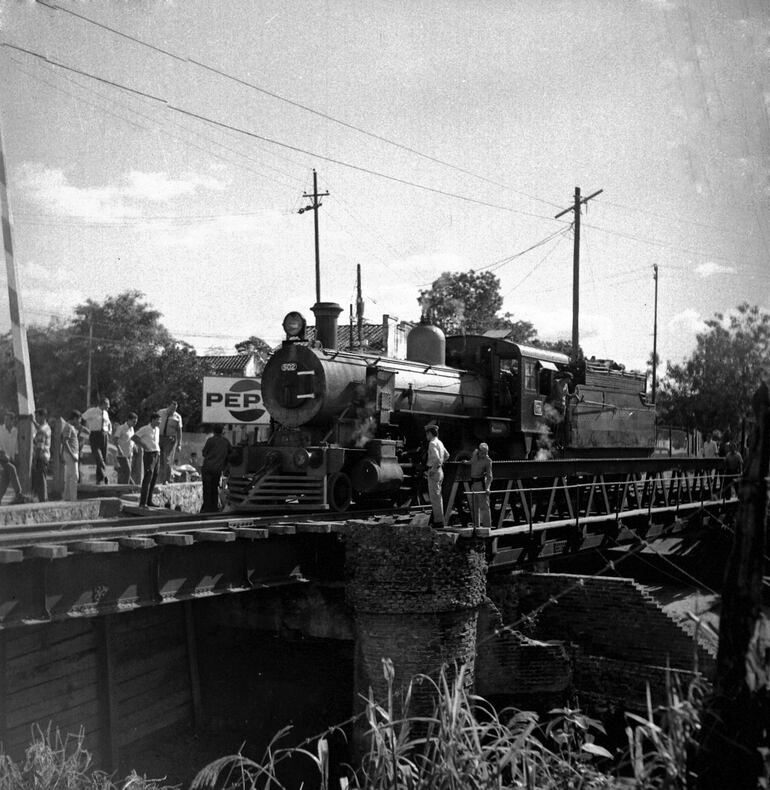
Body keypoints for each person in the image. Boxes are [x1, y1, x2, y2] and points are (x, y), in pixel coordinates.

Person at [132, 413, 161, 508]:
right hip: (149, 454)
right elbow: (134, 437)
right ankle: (142, 502)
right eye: (158, 420)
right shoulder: (145, 428)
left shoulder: (157, 429)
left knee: (154, 478)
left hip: (157, 454)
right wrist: (143, 445)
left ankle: (149, 501)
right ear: (153, 420)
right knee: (148, 477)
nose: (159, 422)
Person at [200, 425, 232, 513]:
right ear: (222, 432)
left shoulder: (210, 440)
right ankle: (214, 507)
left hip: (207, 468)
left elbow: (204, 453)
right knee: (214, 488)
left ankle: (207, 507)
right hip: (217, 469)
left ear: (214, 431)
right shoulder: (226, 442)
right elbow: (231, 453)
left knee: (206, 489)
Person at [424, 424, 449, 528]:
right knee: (438, 497)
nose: (426, 436)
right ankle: (439, 520)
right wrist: (440, 465)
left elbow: (437, 459)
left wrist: (432, 470)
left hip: (434, 472)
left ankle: (439, 522)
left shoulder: (432, 443)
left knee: (435, 498)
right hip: (440, 471)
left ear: (429, 433)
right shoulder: (440, 442)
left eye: (426, 434)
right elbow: (447, 455)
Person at [82, 398, 112, 484]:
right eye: (107, 404)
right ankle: (105, 474)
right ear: (102, 404)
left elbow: (109, 424)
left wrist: (109, 432)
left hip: (104, 435)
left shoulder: (106, 413)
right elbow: (83, 417)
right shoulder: (92, 411)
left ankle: (99, 479)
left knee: (104, 456)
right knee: (99, 457)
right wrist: (84, 431)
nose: (108, 407)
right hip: (95, 435)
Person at [157, 399, 183, 484]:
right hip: (159, 438)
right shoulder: (160, 413)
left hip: (170, 439)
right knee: (159, 459)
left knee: (167, 459)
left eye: (174, 409)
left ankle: (167, 479)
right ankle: (159, 480)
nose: (173, 410)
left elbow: (179, 431)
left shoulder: (177, 417)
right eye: (171, 408)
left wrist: (179, 444)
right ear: (168, 406)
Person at [0, 411, 23, 504]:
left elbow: (16, 447)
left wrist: (16, 458)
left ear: (12, 421)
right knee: (12, 469)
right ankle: (19, 493)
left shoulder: (16, 431)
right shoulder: (0, 429)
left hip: (10, 458)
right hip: (1, 456)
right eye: (4, 419)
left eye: (7, 419)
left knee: (5, 480)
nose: (5, 421)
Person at [469, 442, 493, 528]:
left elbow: (490, 477)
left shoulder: (488, 461)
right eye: (482, 453)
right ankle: (476, 526)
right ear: (479, 451)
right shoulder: (475, 453)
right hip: (473, 483)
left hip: (480, 484)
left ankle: (487, 527)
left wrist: (487, 488)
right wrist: (466, 462)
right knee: (474, 507)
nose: (484, 455)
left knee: (484, 506)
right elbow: (472, 462)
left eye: (486, 453)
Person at [60, 410, 81, 501]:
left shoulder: (70, 427)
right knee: (74, 476)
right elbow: (65, 441)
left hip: (69, 453)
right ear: (75, 418)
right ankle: (73, 498)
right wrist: (72, 455)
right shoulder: (68, 427)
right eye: (79, 419)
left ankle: (67, 498)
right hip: (71, 454)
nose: (79, 421)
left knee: (68, 477)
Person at [31, 407, 51, 502]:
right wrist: (33, 422)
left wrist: (35, 460)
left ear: (43, 417)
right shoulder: (46, 428)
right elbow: (39, 428)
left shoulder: (42, 430)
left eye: (37, 416)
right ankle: (43, 498)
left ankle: (43, 499)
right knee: (41, 478)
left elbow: (40, 447)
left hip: (41, 457)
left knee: (41, 479)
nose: (36, 418)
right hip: (45, 457)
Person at [114, 412, 138, 484]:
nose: (135, 423)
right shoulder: (121, 428)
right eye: (133, 421)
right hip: (121, 454)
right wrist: (119, 449)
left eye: (136, 422)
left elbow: (131, 440)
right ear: (128, 420)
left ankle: (131, 487)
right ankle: (125, 489)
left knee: (126, 472)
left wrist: (134, 446)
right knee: (128, 471)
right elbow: (115, 439)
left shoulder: (132, 429)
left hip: (129, 454)